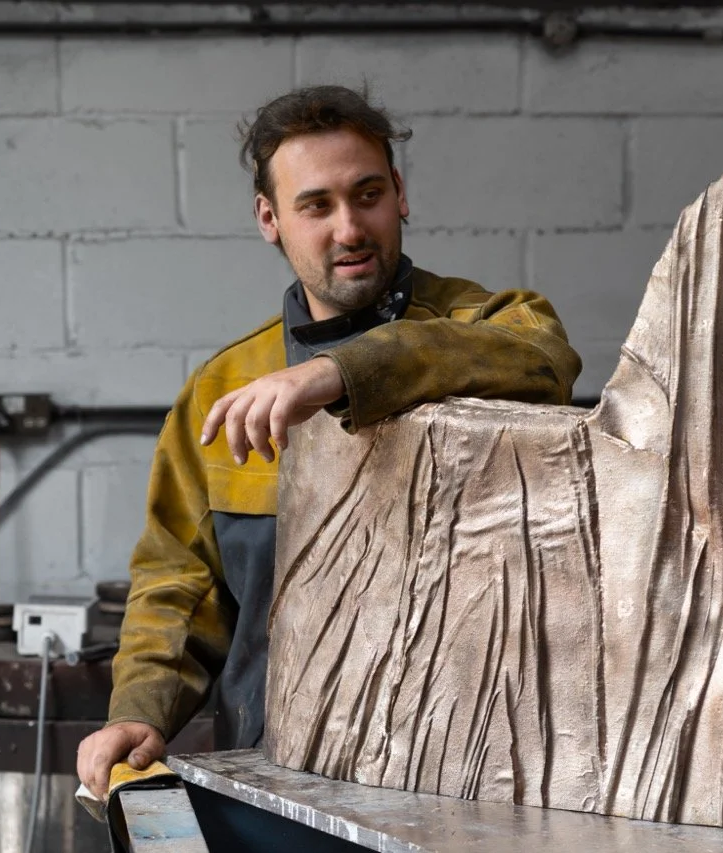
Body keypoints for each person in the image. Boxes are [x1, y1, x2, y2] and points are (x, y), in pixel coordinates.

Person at [75, 85, 581, 799]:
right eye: (316, 205)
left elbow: (546, 359)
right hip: (268, 772)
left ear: (400, 193)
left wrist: (338, 372)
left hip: (460, 783)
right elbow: (180, 582)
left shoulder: (491, 326)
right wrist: (139, 709)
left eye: (367, 195)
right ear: (270, 219)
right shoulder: (223, 388)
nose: (350, 228)